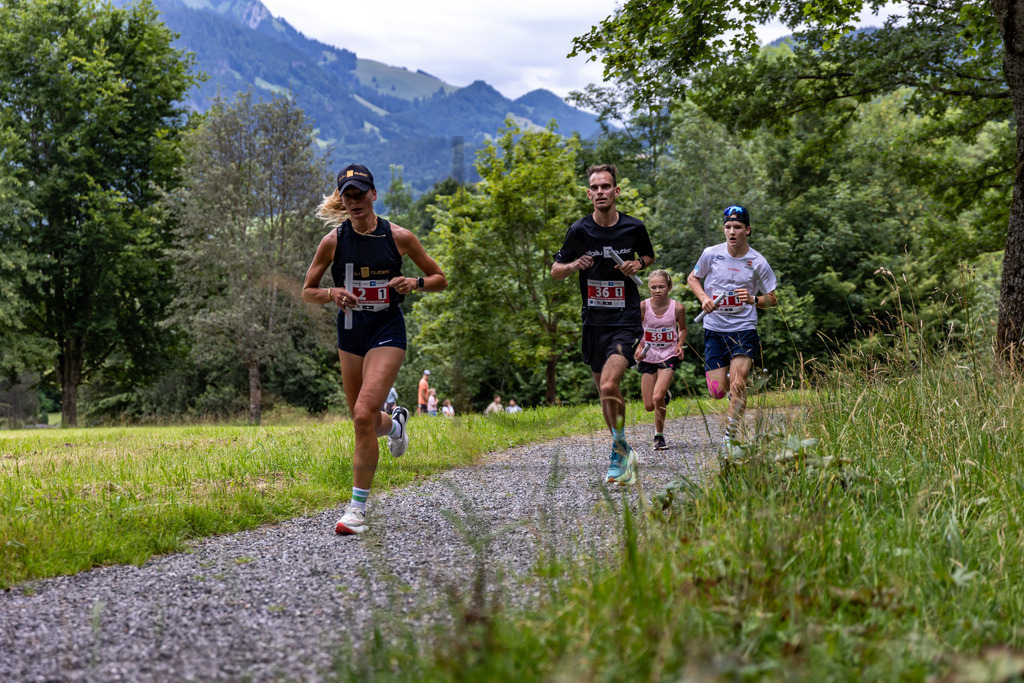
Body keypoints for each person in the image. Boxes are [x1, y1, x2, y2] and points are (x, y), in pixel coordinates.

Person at [302, 163, 447, 535]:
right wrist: (331, 293)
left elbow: (439, 279)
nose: (354, 201)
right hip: (351, 332)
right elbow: (308, 291)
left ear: (374, 194)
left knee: (364, 413)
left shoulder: (398, 237)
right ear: (342, 200)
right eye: (347, 195)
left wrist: (413, 283)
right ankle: (396, 425)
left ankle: (357, 509)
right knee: (362, 419)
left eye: (360, 194)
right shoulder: (333, 241)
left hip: (386, 329)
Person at [551, 163, 655, 485]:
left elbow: (648, 256)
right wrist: (574, 265)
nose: (600, 192)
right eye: (594, 188)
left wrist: (638, 263)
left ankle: (618, 450)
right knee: (603, 391)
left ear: (616, 191)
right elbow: (555, 270)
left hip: (625, 318)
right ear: (588, 194)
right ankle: (622, 449)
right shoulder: (579, 231)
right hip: (593, 322)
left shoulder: (633, 227)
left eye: (606, 186)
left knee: (610, 384)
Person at [687, 205, 777, 449]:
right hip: (714, 328)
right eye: (728, 227)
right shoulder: (711, 254)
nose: (732, 232)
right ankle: (731, 379)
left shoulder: (758, 262)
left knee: (738, 385)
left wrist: (753, 299)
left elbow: (772, 299)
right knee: (716, 391)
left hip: (743, 328)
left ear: (747, 230)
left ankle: (730, 438)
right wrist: (704, 299)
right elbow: (692, 278)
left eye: (737, 227)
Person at [634, 269, 686, 451]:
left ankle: (659, 436)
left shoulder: (677, 308)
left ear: (669, 287)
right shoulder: (643, 306)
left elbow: (682, 329)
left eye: (661, 287)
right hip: (648, 355)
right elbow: (635, 330)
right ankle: (665, 395)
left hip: (668, 354)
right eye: (653, 287)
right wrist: (638, 349)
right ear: (649, 288)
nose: (657, 290)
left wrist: (679, 344)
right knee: (649, 405)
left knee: (657, 398)